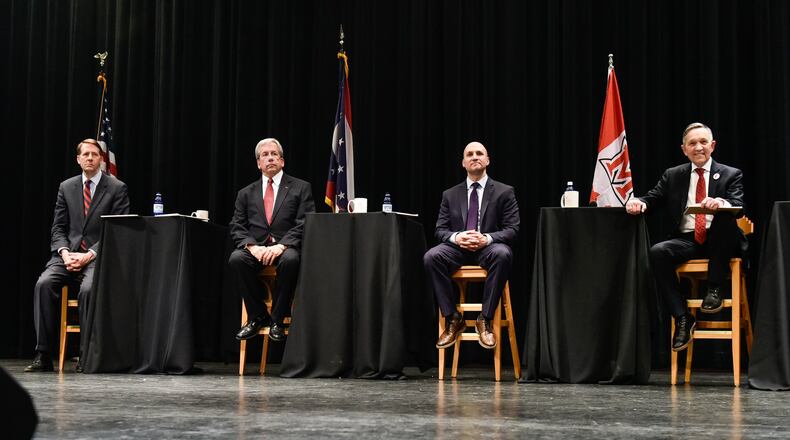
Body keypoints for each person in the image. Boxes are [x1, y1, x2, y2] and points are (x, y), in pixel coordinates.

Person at [626, 122, 746, 352]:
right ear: (684, 149)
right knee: (658, 252)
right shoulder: (673, 175)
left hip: (720, 241)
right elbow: (652, 198)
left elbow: (738, 205)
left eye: (703, 142)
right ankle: (682, 316)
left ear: (712, 145)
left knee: (724, 218)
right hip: (688, 240)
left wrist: (720, 203)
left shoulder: (731, 174)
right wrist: (639, 202)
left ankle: (714, 287)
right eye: (692, 143)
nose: (698, 147)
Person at [26, 139, 130, 372]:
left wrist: (89, 254)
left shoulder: (116, 188)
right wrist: (65, 254)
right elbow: (58, 228)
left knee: (89, 290)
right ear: (78, 159)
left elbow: (117, 231)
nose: (90, 158)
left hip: (97, 257)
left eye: (94, 154)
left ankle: (86, 355)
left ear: (101, 159)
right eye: (86, 154)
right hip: (67, 255)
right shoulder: (66, 187)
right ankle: (43, 354)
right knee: (43, 284)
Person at [424, 141, 520, 350]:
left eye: (479, 153)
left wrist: (486, 238)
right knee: (432, 257)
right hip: (458, 250)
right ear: (463, 163)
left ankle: (485, 319)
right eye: (469, 154)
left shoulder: (504, 192)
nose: (474, 157)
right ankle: (453, 318)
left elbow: (512, 230)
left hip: (488, 249)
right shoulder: (450, 194)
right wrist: (457, 237)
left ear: (487, 160)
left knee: (503, 253)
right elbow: (440, 230)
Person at [229, 138, 315, 343]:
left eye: (274, 154)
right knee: (237, 258)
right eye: (265, 155)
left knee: (291, 259)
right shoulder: (245, 193)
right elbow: (237, 225)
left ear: (282, 161)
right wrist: (252, 247)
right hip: (257, 249)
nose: (270, 158)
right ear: (258, 163)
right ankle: (258, 316)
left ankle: (278, 319)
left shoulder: (301, 187)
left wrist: (282, 245)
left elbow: (305, 222)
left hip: (286, 247)